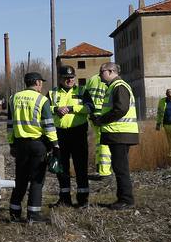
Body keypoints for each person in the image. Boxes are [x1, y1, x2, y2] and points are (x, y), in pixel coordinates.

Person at [6, 72, 57, 223]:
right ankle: (33, 215)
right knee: (36, 180)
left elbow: (9, 125)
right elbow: (48, 124)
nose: (41, 85)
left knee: (20, 180)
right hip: (37, 144)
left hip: (20, 144)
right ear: (36, 82)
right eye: (41, 82)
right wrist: (55, 145)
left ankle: (14, 214)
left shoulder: (13, 98)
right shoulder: (41, 100)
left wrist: (11, 144)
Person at [91, 63, 139, 209]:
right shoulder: (115, 86)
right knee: (120, 167)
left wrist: (101, 120)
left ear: (111, 71)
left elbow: (121, 109)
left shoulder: (119, 86)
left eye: (102, 72)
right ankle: (123, 199)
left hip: (120, 133)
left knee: (120, 168)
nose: (99, 75)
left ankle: (126, 200)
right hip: (119, 133)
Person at [51, 67, 91, 207]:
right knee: (62, 168)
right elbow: (44, 109)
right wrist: (56, 109)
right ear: (60, 78)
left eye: (72, 77)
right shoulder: (52, 93)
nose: (70, 80)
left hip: (78, 133)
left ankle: (83, 199)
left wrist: (71, 108)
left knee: (81, 166)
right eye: (66, 78)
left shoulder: (82, 91)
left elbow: (89, 108)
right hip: (60, 133)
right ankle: (64, 198)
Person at [82, 69, 112, 179]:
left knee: (99, 141)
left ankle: (99, 166)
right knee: (104, 142)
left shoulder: (91, 80)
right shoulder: (108, 81)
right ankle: (104, 170)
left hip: (92, 115)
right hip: (103, 114)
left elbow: (85, 96)